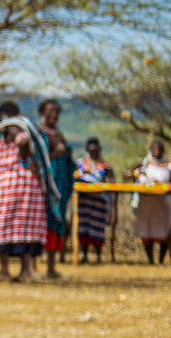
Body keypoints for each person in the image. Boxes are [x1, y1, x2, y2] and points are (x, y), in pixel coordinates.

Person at [0, 101, 48, 282]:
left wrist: (19, 138)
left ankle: (26, 271)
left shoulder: (24, 137)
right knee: (2, 228)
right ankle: (4, 271)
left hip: (26, 193)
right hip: (5, 192)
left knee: (24, 230)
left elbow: (26, 152)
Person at [35, 99, 75, 280]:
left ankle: (51, 268)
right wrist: (56, 153)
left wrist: (66, 155)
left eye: (57, 112)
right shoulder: (36, 134)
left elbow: (68, 162)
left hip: (59, 187)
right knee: (38, 224)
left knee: (56, 222)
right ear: (42, 112)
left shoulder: (59, 134)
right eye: (51, 111)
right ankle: (33, 267)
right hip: (41, 187)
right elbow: (36, 160)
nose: (54, 115)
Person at [134, 139, 171, 265]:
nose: (156, 151)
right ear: (150, 150)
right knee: (146, 231)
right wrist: (138, 165)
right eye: (154, 148)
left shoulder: (169, 166)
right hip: (146, 203)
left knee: (163, 231)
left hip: (163, 203)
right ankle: (151, 260)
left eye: (159, 148)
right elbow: (128, 175)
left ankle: (161, 260)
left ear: (163, 151)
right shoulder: (144, 164)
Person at [74, 137, 114, 265]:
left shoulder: (105, 165)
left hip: (99, 200)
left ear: (99, 150)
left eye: (95, 150)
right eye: (91, 150)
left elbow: (112, 181)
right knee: (83, 227)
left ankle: (98, 257)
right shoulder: (80, 163)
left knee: (97, 227)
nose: (93, 152)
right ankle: (84, 255)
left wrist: (106, 182)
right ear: (87, 150)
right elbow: (73, 177)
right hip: (83, 200)